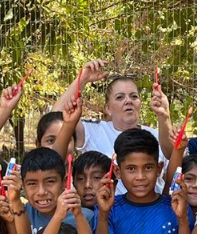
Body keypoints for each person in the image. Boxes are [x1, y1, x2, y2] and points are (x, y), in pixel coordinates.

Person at [54, 62, 168, 191]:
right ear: (108, 108)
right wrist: (82, 79)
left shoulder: (156, 136)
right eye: (120, 97)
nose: (128, 101)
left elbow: (173, 174)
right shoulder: (95, 131)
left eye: (134, 96)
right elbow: (55, 118)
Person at [21, 146, 98, 234]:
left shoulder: (85, 217)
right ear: (23, 186)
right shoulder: (22, 213)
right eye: (32, 183)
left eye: (50, 181)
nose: (41, 192)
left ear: (64, 182)